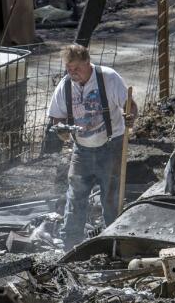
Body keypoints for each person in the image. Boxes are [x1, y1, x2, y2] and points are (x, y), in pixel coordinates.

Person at [47, 43, 136, 251]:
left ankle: (113, 242)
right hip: (82, 149)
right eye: (69, 69)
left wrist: (131, 116)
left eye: (76, 68)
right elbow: (56, 118)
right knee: (76, 194)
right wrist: (61, 131)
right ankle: (70, 244)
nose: (72, 73)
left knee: (110, 196)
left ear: (87, 62)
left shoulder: (108, 78)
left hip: (111, 145)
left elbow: (130, 105)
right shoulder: (65, 86)